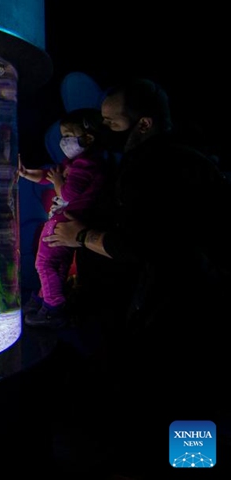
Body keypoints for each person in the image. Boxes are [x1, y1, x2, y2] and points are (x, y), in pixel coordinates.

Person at [42, 79, 230, 451]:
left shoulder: (158, 165)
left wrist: (79, 237)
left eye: (112, 123)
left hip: (178, 306)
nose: (104, 131)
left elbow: (146, 244)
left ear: (143, 123)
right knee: (181, 396)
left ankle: (174, 464)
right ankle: (181, 460)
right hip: (181, 300)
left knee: (174, 395)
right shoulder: (181, 154)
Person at [18, 108, 114, 329]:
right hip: (68, 219)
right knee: (58, 263)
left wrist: (59, 181)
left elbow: (67, 194)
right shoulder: (74, 163)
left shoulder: (87, 164)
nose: (64, 141)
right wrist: (27, 173)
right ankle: (46, 297)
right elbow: (48, 177)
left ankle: (53, 306)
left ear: (88, 137)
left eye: (68, 136)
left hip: (68, 220)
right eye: (62, 136)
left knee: (44, 262)